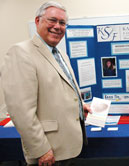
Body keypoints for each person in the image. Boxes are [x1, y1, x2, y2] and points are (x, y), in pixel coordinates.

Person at [1, 1, 91, 166]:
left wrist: (79, 105)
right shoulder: (21, 53)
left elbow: (60, 90)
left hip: (66, 144)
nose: (57, 26)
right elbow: (21, 111)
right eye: (52, 20)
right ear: (37, 21)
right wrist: (41, 150)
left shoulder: (61, 54)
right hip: (48, 150)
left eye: (62, 23)